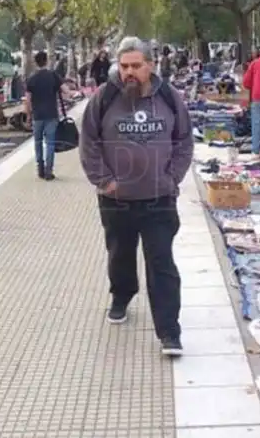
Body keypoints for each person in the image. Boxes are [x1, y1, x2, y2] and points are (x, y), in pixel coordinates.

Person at [78, 36, 194, 357]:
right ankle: (122, 295)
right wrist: (104, 180)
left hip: (159, 199)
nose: (129, 72)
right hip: (117, 200)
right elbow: (88, 141)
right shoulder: (104, 97)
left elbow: (184, 140)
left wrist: (171, 178)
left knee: (162, 263)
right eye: (124, 66)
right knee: (120, 254)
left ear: (150, 65)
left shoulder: (169, 97)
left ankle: (170, 332)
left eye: (136, 66)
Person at [25, 50, 64, 180]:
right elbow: (65, 90)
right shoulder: (53, 75)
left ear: (36, 62)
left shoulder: (31, 79)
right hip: (51, 114)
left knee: (37, 142)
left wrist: (29, 115)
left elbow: (28, 99)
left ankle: (40, 169)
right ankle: (49, 171)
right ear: (46, 61)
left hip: (37, 115)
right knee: (50, 143)